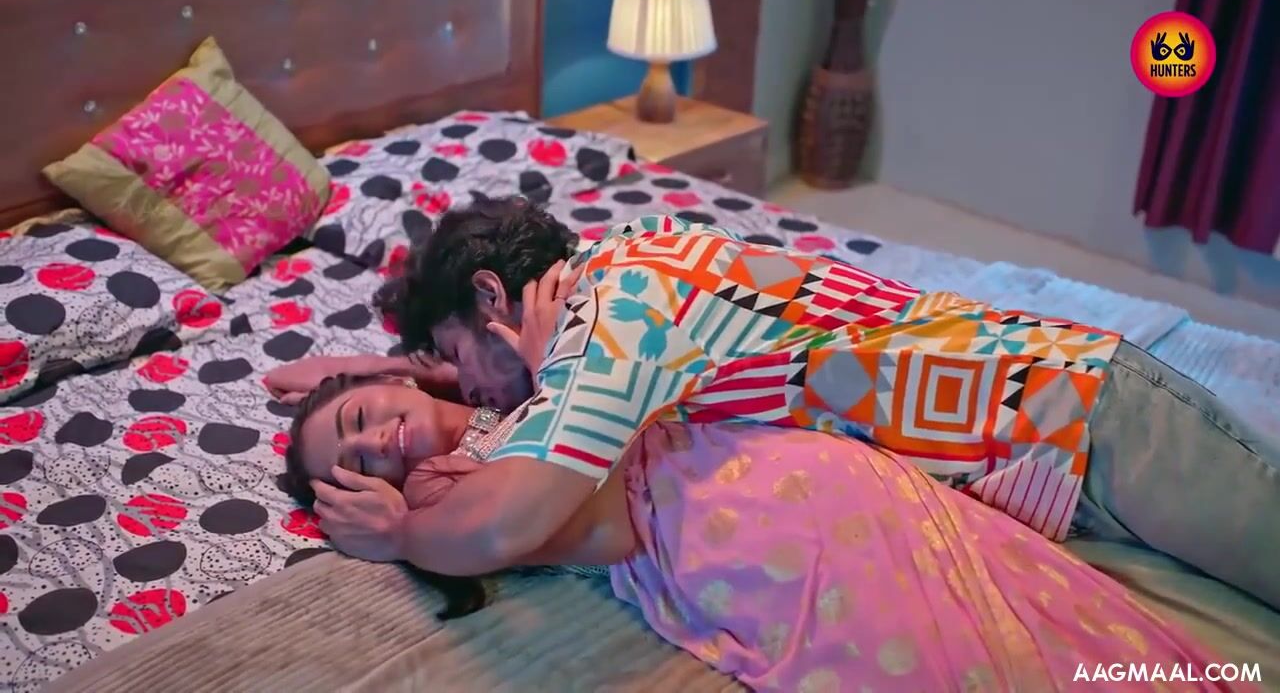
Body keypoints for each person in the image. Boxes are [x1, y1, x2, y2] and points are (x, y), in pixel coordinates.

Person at [318, 195, 1278, 611]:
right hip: (1051, 459)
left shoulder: (612, 319)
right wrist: (407, 370)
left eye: (462, 360)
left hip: (1085, 419)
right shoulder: (626, 261)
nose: (478, 396)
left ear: (493, 297)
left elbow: (507, 522)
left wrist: (402, 534)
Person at [274, 355, 1249, 691]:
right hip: (721, 528)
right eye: (353, 463)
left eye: (361, 415)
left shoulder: (500, 376)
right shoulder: (448, 495)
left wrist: (364, 369)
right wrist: (396, 529)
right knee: (948, 645)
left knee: (1024, 594)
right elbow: (585, 533)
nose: (374, 443)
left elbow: (439, 360)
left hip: (794, 466)